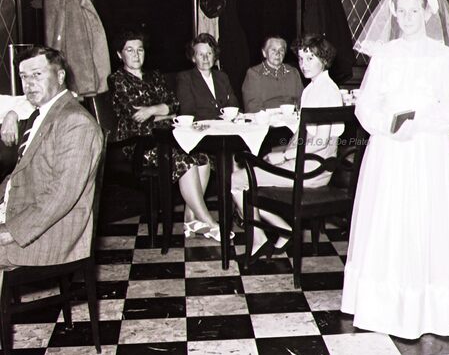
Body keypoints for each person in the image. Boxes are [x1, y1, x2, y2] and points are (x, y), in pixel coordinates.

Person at [340, 0, 449, 339]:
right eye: (401, 11)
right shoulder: (384, 55)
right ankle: (383, 306)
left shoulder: (443, 56)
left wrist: (421, 124)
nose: (408, 17)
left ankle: (429, 309)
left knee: (427, 220)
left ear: (427, 12)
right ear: (394, 14)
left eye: (414, 10)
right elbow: (365, 105)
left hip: (429, 149)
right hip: (389, 149)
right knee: (389, 220)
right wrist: (387, 125)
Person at [107, 30, 228, 241]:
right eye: (130, 50)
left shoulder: (154, 76)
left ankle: (191, 220)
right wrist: (163, 112)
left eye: (140, 50)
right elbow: (135, 116)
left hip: (166, 138)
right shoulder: (117, 79)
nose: (136, 55)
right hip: (139, 142)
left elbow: (174, 104)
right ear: (120, 55)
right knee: (185, 161)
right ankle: (209, 222)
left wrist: (152, 110)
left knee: (202, 158)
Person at [231, 34, 343, 262]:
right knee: (256, 165)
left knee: (237, 180)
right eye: (301, 59)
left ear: (324, 59)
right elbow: (304, 135)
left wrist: (284, 156)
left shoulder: (326, 91)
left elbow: (320, 142)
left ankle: (261, 239)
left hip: (313, 169)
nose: (304, 64)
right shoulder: (314, 88)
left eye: (310, 58)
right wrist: (281, 154)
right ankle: (284, 231)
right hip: (310, 162)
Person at [0, 46, 102, 287]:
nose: (29, 84)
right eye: (24, 76)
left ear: (60, 75)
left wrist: (10, 231)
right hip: (27, 216)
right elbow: (20, 175)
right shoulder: (42, 114)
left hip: (52, 234)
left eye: (37, 74)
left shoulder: (75, 122)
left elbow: (62, 194)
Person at [176, 33, 239, 121]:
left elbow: (233, 105)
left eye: (209, 53)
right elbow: (188, 112)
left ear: (214, 56)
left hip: (226, 125)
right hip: (201, 127)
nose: (205, 58)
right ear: (193, 58)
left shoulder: (222, 77)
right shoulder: (185, 78)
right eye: (201, 54)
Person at [241, 36, 304, 113]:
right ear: (264, 53)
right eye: (273, 50)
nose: (277, 54)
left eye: (281, 50)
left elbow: (302, 101)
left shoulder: (293, 72)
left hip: (291, 117)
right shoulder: (254, 74)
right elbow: (252, 107)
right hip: (265, 118)